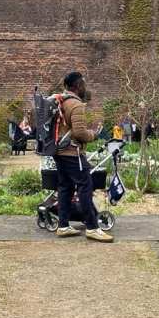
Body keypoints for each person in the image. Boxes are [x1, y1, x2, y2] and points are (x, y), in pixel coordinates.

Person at [53, 71, 113, 243]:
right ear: (78, 86)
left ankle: (63, 225)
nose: (85, 86)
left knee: (65, 187)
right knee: (85, 187)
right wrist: (94, 135)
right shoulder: (76, 105)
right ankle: (93, 228)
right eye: (83, 84)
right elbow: (79, 133)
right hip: (73, 154)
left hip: (59, 152)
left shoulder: (61, 102)